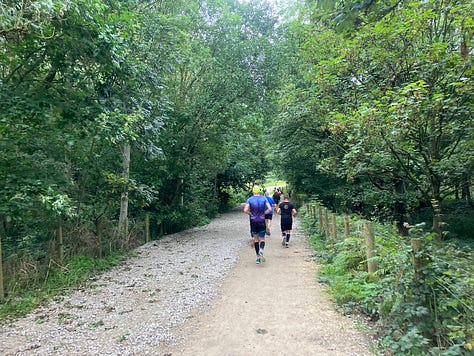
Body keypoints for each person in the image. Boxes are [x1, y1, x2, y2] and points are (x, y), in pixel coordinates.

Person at [244, 186, 272, 264]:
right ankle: (261, 249)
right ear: (259, 191)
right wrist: (264, 213)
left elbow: (245, 210)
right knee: (262, 239)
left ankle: (258, 258)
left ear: (253, 191)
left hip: (253, 221)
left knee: (256, 239)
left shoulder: (249, 199)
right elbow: (269, 209)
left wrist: (250, 214)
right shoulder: (264, 198)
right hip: (261, 220)